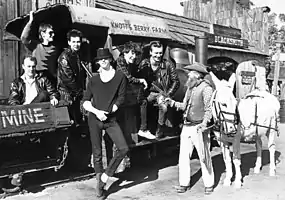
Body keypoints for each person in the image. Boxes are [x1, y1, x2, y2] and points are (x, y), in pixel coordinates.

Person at [82, 48, 129, 199]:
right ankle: (99, 187)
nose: (102, 61)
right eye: (100, 59)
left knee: (123, 148)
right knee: (97, 153)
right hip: (95, 118)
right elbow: (85, 101)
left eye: (105, 58)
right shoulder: (94, 79)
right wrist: (97, 112)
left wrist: (110, 111)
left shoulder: (120, 77)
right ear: (97, 62)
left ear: (110, 59)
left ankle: (105, 176)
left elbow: (121, 98)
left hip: (111, 119)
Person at [166, 62, 214, 195]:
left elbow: (209, 109)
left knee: (204, 157)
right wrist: (172, 103)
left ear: (197, 75)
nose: (188, 76)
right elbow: (184, 106)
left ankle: (209, 184)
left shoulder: (206, 88)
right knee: (183, 157)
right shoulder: (190, 87)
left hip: (199, 128)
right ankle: (184, 183)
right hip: (187, 126)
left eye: (190, 74)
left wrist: (204, 124)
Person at [138, 41, 180, 138]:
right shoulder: (144, 63)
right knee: (141, 104)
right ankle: (143, 129)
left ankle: (159, 129)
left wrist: (168, 94)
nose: (158, 55)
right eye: (156, 53)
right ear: (150, 52)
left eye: (160, 53)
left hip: (162, 93)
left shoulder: (168, 64)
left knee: (164, 107)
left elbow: (176, 81)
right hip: (148, 92)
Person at [116, 41, 155, 140]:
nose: (134, 56)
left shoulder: (130, 63)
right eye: (132, 53)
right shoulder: (120, 61)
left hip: (123, 91)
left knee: (144, 99)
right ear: (125, 52)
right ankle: (143, 129)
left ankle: (143, 128)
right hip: (116, 95)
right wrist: (141, 80)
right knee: (143, 101)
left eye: (136, 54)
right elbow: (129, 78)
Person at [21, 11, 60, 84]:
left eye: (53, 32)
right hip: (37, 79)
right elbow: (23, 38)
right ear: (43, 34)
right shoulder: (36, 45)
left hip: (51, 80)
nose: (53, 35)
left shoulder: (56, 49)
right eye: (50, 33)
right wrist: (30, 21)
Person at [57, 29, 86, 126]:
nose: (76, 44)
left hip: (75, 92)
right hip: (67, 93)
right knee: (69, 121)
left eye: (78, 42)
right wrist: (80, 92)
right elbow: (68, 78)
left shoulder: (78, 55)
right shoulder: (65, 57)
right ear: (69, 42)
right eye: (73, 42)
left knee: (77, 120)